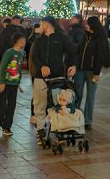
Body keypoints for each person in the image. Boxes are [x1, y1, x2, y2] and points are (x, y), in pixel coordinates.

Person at [30, 16, 77, 146]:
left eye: (41, 24)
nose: (40, 27)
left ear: (47, 24)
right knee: (39, 105)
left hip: (58, 77)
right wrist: (42, 66)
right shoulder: (39, 40)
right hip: (41, 78)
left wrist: (73, 65)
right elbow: (34, 56)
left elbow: (72, 52)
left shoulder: (62, 38)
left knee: (58, 105)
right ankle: (40, 131)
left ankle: (59, 131)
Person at [75, 16, 110, 130]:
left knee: (90, 96)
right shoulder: (84, 36)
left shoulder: (99, 38)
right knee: (77, 94)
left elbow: (100, 56)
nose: (86, 25)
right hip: (80, 70)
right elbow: (78, 51)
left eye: (88, 23)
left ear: (92, 25)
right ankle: (74, 117)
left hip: (92, 72)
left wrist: (97, 72)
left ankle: (87, 120)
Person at [0, 32, 26, 136]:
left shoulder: (20, 54)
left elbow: (18, 69)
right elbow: (3, 67)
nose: (24, 43)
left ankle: (7, 127)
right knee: (2, 105)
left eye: (24, 41)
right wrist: (2, 82)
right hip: (6, 83)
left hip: (14, 84)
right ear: (17, 41)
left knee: (12, 106)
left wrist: (19, 83)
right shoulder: (9, 53)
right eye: (22, 41)